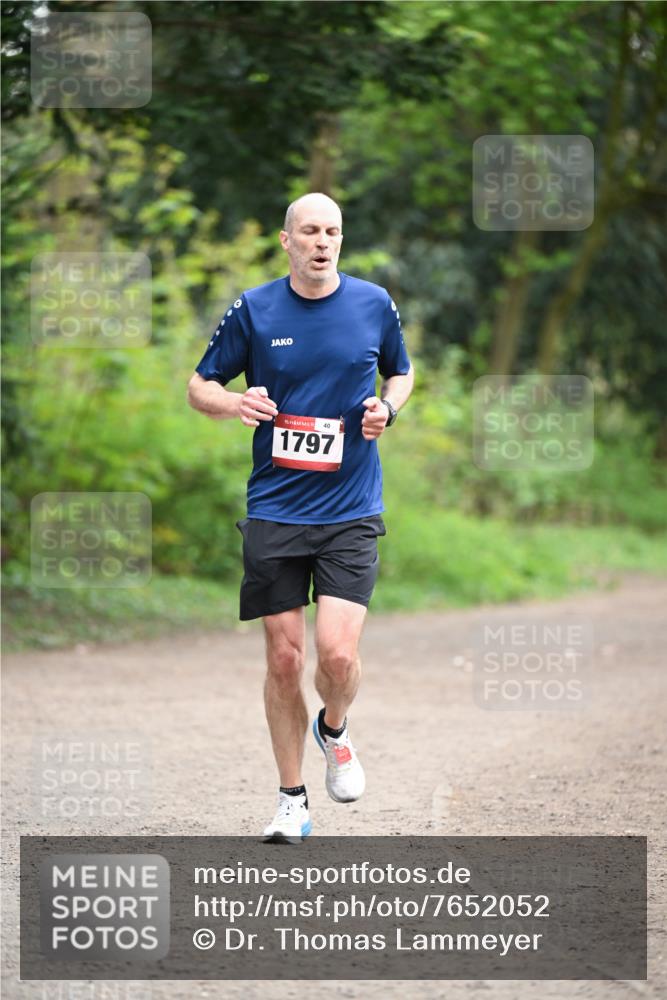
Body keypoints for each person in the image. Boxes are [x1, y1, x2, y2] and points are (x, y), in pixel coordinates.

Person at [187, 192, 414, 843]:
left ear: (341, 239)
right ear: (287, 240)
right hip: (276, 508)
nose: (322, 242)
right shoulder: (255, 309)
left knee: (337, 656)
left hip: (350, 508)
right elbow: (199, 385)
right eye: (310, 230)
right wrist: (234, 404)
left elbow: (400, 373)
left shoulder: (373, 304)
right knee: (285, 659)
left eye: (332, 231)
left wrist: (387, 409)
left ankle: (333, 728)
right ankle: (291, 799)